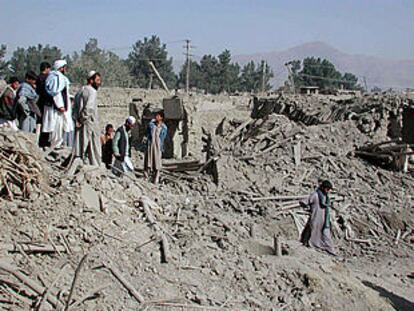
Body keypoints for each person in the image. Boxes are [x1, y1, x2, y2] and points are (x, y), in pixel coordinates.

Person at [72, 71, 102, 166]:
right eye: (97, 80)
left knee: (80, 145)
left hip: (81, 122)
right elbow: (89, 108)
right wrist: (82, 118)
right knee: (94, 148)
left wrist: (77, 119)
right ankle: (96, 168)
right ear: (91, 80)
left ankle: (79, 163)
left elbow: (75, 108)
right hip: (90, 122)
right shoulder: (92, 92)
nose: (99, 82)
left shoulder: (80, 90)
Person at [43, 59, 74, 149]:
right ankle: (55, 145)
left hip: (61, 107)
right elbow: (56, 93)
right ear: (61, 68)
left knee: (61, 127)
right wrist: (60, 106)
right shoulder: (56, 77)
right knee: (56, 127)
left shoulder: (59, 77)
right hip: (56, 109)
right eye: (65, 67)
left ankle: (58, 144)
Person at [300, 180, 336, 256]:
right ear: (323, 188)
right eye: (327, 189)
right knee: (314, 234)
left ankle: (331, 251)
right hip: (316, 218)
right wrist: (308, 208)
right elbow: (304, 202)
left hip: (324, 220)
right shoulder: (315, 195)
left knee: (326, 235)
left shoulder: (326, 197)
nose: (328, 191)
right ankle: (313, 247)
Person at [144, 111, 168, 184]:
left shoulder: (164, 127)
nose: (156, 117)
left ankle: (156, 177)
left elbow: (163, 138)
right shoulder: (151, 125)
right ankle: (146, 176)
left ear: (161, 118)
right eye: (156, 116)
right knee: (148, 160)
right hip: (150, 144)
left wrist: (160, 145)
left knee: (157, 161)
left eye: (158, 116)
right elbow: (147, 134)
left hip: (158, 146)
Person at [36, 62, 53, 146]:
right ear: (46, 69)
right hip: (46, 103)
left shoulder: (37, 78)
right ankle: (44, 141)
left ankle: (39, 140)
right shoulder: (47, 78)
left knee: (40, 122)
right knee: (46, 123)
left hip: (39, 102)